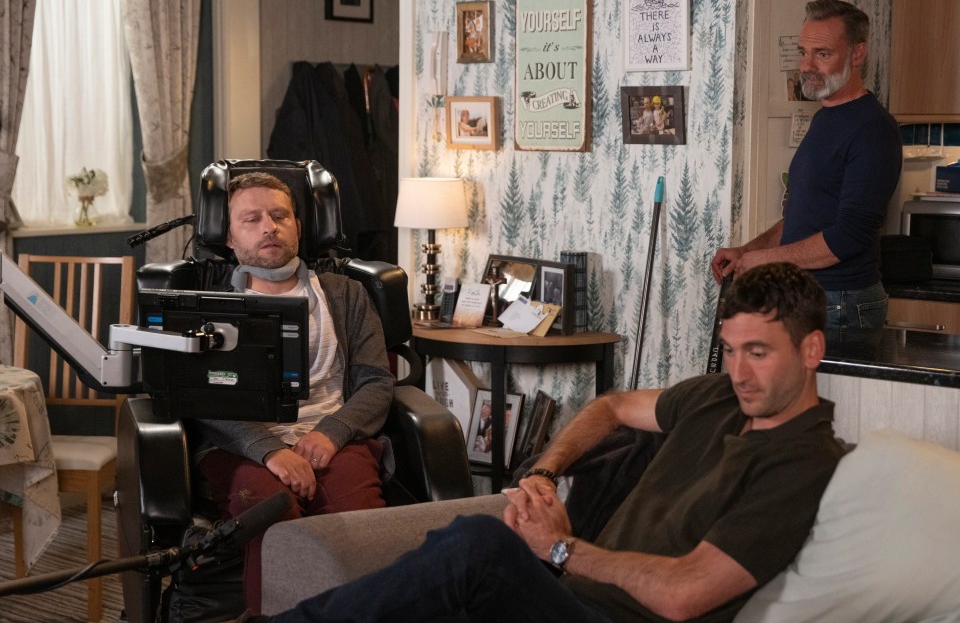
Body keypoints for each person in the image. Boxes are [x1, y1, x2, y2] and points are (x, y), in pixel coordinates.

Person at [244, 262, 845, 623]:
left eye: (759, 353)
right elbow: (611, 406)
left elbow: (686, 595)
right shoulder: (717, 396)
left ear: (811, 350)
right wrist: (546, 471)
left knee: (478, 544)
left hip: (613, 618)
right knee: (447, 572)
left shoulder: (801, 461)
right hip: (568, 597)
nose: (739, 371)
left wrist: (560, 549)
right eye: (732, 349)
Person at [194, 172, 394, 614]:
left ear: (299, 227)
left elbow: (377, 382)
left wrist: (331, 433)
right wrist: (269, 451)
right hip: (245, 448)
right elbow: (206, 397)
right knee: (274, 522)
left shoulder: (346, 295)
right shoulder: (208, 305)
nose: (269, 226)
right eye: (252, 219)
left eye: (279, 215)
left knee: (360, 529)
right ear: (229, 237)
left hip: (333, 440)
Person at [711, 0, 902, 348]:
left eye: (822, 54)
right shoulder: (825, 117)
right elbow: (805, 214)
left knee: (826, 404)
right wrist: (748, 250)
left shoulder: (873, 129)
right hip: (810, 299)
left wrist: (763, 260)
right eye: (803, 52)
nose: (807, 66)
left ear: (857, 54)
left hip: (842, 304)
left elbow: (848, 236)